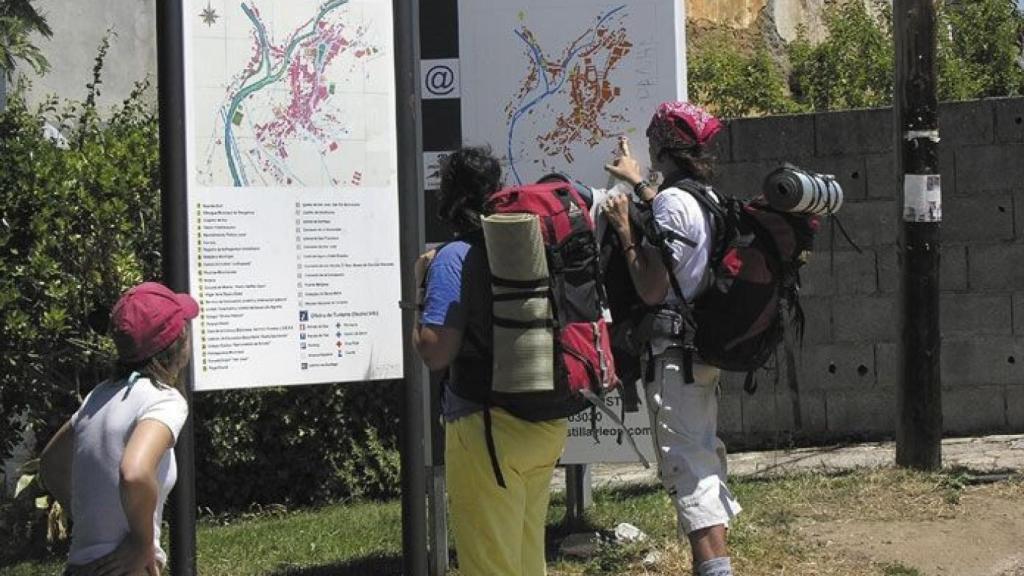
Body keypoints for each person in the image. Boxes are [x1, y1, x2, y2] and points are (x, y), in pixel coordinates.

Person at [412, 146, 567, 576]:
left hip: (486, 426)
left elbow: (435, 351)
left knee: (489, 566)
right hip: (545, 422)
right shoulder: (527, 244)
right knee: (525, 559)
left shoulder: (453, 257)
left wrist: (419, 291)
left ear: (448, 196)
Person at [602, 101, 741, 576]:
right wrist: (638, 183)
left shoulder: (671, 203)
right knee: (700, 454)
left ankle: (715, 569)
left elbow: (651, 286)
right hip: (700, 347)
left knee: (687, 466)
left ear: (663, 145)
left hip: (673, 354)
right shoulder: (707, 198)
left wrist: (624, 231)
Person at [40, 282, 198, 576]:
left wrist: (87, 519)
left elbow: (51, 464)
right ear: (178, 341)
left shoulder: (99, 396)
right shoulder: (164, 400)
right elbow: (135, 473)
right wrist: (142, 543)